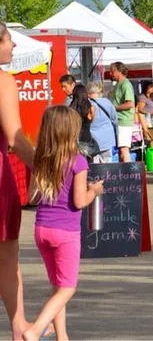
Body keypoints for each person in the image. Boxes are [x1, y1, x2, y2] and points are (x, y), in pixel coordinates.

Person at [25, 106, 104, 341]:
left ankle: (62, 336)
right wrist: (94, 191)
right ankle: (36, 329)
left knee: (58, 286)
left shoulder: (41, 159)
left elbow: (31, 198)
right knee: (68, 288)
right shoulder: (78, 161)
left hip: (42, 228)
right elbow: (79, 202)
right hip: (65, 231)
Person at [0, 22, 37, 340]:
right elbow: (15, 138)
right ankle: (19, 327)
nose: (13, 46)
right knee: (7, 255)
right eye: (9, 39)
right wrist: (45, 167)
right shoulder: (3, 81)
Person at [109, 62, 135, 163]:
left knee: (124, 149)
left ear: (119, 71)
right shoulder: (119, 84)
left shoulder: (125, 84)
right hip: (119, 120)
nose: (110, 73)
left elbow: (130, 104)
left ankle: (128, 174)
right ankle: (122, 174)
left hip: (124, 120)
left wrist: (113, 108)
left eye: (112, 71)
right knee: (121, 150)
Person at [87, 82, 118, 164]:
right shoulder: (107, 102)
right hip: (107, 138)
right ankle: (108, 176)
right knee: (107, 163)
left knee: (95, 166)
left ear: (88, 92)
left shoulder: (87, 104)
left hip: (93, 140)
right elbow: (114, 119)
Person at [68, 84, 96, 159]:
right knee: (88, 160)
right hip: (86, 137)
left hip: (74, 137)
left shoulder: (71, 109)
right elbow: (91, 120)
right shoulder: (91, 108)